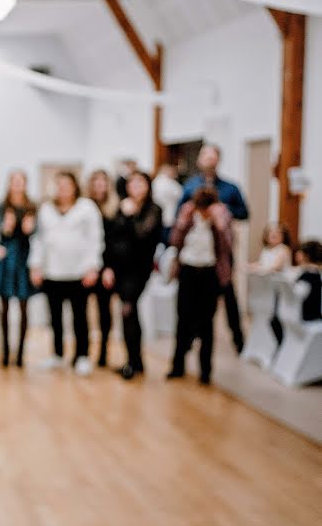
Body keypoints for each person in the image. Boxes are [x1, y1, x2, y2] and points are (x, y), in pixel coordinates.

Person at [29, 171, 104, 376]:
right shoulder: (46, 209)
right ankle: (58, 354)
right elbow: (39, 239)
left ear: (74, 186)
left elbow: (95, 239)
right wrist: (36, 265)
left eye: (66, 184)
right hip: (52, 272)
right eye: (58, 184)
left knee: (80, 317)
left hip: (79, 272)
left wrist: (92, 266)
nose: (62, 189)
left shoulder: (87, 208)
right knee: (55, 317)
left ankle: (82, 356)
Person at [178, 143, 248, 352]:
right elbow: (178, 216)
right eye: (205, 155)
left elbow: (244, 212)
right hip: (194, 255)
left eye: (212, 156)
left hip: (220, 255)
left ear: (218, 159)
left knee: (228, 296)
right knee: (191, 303)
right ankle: (190, 338)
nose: (208, 159)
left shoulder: (230, 188)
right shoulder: (190, 186)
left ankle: (239, 340)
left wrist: (224, 212)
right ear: (200, 159)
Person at [167, 187, 233, 385]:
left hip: (209, 274)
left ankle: (205, 371)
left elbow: (227, 248)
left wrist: (220, 225)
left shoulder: (220, 219)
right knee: (183, 320)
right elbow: (174, 241)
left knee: (207, 323)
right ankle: (177, 366)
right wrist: (183, 221)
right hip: (188, 272)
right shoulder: (188, 217)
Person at [102, 172, 163, 380]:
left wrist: (130, 215)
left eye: (140, 182)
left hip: (138, 270)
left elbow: (142, 236)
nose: (135, 186)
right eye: (132, 183)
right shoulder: (121, 206)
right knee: (128, 313)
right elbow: (111, 238)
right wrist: (108, 266)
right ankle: (135, 360)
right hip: (120, 269)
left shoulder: (153, 210)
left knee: (128, 309)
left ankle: (133, 362)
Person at [0, 170, 36, 368]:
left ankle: (21, 355)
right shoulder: (1, 207)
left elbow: (35, 235)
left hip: (24, 261)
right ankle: (6, 353)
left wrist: (29, 228)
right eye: (13, 181)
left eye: (20, 181)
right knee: (4, 307)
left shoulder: (32, 207)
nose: (17, 184)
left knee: (24, 307)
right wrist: (4, 227)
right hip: (6, 260)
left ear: (25, 184)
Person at [86, 169, 119, 367]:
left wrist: (108, 267)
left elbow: (115, 243)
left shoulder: (114, 209)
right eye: (95, 181)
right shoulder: (84, 207)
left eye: (103, 181)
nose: (99, 185)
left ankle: (103, 351)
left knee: (104, 310)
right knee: (82, 311)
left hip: (106, 267)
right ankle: (83, 351)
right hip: (86, 266)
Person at [152, 163, 183, 244]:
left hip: (158, 216)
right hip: (168, 215)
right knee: (167, 241)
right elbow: (181, 194)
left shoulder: (155, 182)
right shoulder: (170, 183)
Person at [292, 241, 322, 322]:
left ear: (306, 256)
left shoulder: (310, 274)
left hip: (309, 318)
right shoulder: (314, 272)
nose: (296, 254)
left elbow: (297, 295)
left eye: (299, 252)